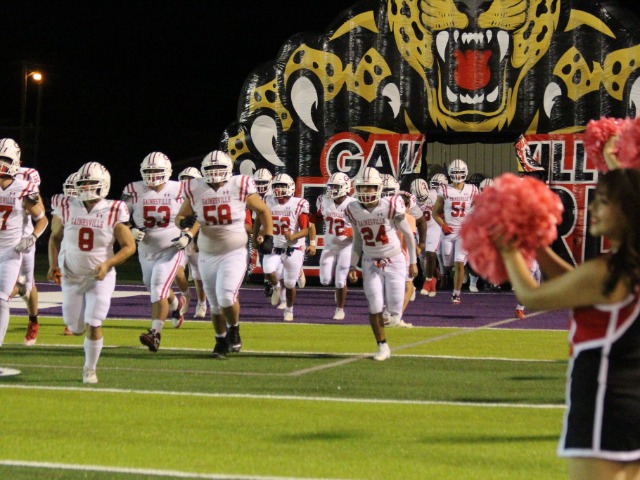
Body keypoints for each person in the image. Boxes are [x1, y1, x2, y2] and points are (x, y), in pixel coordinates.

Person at [496, 168, 640, 480]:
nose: (593, 208)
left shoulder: (605, 273)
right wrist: (537, 245)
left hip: (603, 407)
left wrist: (508, 248)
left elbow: (531, 297)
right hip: (629, 402)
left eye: (603, 202)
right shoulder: (625, 269)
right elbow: (575, 284)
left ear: (628, 211)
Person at [176, 150, 273, 358]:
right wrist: (183, 222)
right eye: (211, 169)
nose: (215, 173)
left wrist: (269, 236)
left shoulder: (239, 185)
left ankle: (234, 329)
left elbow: (263, 210)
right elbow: (180, 217)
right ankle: (220, 340)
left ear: (228, 169)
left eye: (218, 168)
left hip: (233, 252)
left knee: (226, 296)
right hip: (207, 254)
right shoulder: (195, 188)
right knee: (215, 305)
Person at [47, 162, 135, 383]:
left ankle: (90, 369)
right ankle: (81, 332)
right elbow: (54, 237)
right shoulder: (66, 205)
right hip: (71, 275)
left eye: (90, 183)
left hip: (99, 278)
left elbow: (129, 246)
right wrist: (53, 264)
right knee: (75, 327)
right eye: (82, 183)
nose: (85, 187)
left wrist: (108, 264)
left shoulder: (114, 210)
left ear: (103, 185)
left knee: (94, 323)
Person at [346, 167, 418, 361]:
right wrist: (353, 265)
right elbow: (357, 241)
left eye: (370, 187)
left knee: (394, 313)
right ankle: (382, 346)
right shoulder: (353, 208)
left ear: (378, 188)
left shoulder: (390, 205)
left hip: (395, 260)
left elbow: (408, 235)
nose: (366, 191)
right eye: (363, 187)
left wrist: (413, 262)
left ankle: (391, 318)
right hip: (370, 261)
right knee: (375, 305)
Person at [122, 152, 187, 352]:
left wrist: (188, 235)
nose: (152, 176)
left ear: (167, 171)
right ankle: (176, 304)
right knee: (155, 288)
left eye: (157, 171)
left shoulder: (180, 189)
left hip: (171, 248)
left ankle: (155, 333)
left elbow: (195, 215)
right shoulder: (133, 189)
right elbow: (121, 217)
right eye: (149, 171)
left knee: (159, 287)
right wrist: (131, 229)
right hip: (146, 250)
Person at [0, 139, 48, 347]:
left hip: (18, 242)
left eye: (5, 159)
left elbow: (41, 215)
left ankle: (33, 320)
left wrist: (32, 237)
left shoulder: (26, 182)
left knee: (24, 287)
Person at [255, 173, 309, 322]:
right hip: (274, 246)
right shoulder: (267, 200)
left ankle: (289, 309)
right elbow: (262, 222)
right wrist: (260, 235)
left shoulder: (299, 204)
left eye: (282, 186)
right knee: (268, 270)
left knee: (290, 283)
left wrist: (294, 236)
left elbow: (306, 229)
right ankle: (276, 287)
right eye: (276, 186)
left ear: (290, 187)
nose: (279, 189)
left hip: (293, 248)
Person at [433, 159, 478, 303]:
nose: (458, 175)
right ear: (450, 173)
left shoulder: (472, 189)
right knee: (447, 264)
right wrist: (443, 225)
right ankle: (453, 269)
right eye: (455, 172)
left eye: (460, 172)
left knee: (459, 262)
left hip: (463, 232)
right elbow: (435, 212)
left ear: (465, 173)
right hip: (448, 231)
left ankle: (456, 294)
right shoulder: (444, 190)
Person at [312, 172, 355, 320]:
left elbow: (362, 226)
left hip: (346, 246)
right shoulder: (324, 200)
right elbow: (317, 217)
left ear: (345, 187)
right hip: (329, 246)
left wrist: (352, 231)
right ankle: (338, 291)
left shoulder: (353, 204)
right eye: (331, 186)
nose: (333, 190)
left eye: (336, 186)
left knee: (340, 280)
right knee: (324, 280)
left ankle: (340, 309)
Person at [51, 171, 80, 336]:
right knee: (69, 289)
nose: (71, 192)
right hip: (67, 250)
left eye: (74, 188)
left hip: (90, 253)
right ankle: (72, 322)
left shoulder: (98, 207)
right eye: (69, 188)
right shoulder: (61, 202)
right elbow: (54, 234)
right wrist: (53, 264)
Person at [177, 166, 208, 318]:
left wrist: (195, 238)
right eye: (184, 179)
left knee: (198, 275)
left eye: (190, 180)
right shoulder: (173, 198)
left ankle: (202, 303)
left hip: (196, 240)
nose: (186, 183)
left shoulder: (200, 198)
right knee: (176, 271)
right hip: (178, 240)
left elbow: (202, 220)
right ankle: (186, 295)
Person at [411, 177, 441, 297]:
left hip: (433, 227)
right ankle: (433, 279)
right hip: (419, 230)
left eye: (423, 198)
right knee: (423, 261)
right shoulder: (409, 200)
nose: (422, 201)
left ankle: (428, 282)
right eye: (419, 199)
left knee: (430, 253)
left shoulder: (435, 195)